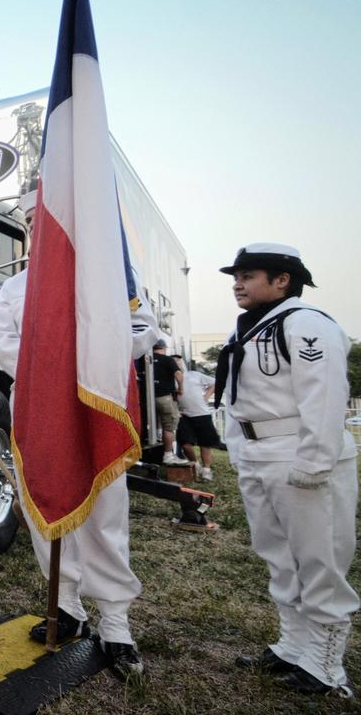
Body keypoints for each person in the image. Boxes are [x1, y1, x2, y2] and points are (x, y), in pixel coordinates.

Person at [0, 189, 157, 680]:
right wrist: (54, 364)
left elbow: (143, 328)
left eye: (50, 215)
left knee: (105, 513)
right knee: (44, 507)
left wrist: (92, 356)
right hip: (39, 403)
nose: (42, 226)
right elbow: (1, 345)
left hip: (93, 402)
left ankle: (116, 624)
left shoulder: (108, 275)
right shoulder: (13, 289)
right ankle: (66, 607)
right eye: (34, 219)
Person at [215, 243, 356, 698]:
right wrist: (240, 454)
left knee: (319, 558)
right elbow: (238, 403)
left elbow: (325, 396)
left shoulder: (306, 324)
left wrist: (316, 461)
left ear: (282, 281)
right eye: (236, 275)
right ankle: (295, 644)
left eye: (249, 274)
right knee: (277, 555)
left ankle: (327, 662)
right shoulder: (250, 329)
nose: (238, 283)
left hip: (299, 450)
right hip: (261, 454)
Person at [173, 355, 218, 480]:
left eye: (178, 361)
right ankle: (195, 463)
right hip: (184, 416)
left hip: (202, 414)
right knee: (185, 444)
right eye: (174, 362)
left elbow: (215, 382)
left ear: (182, 363)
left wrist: (206, 396)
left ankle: (207, 470)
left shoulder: (194, 375)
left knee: (205, 443)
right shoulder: (171, 379)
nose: (177, 364)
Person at [151, 340, 189, 465]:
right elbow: (179, 374)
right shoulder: (167, 359)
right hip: (164, 397)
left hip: (148, 399)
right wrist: (181, 388)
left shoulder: (144, 359)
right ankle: (168, 455)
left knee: (154, 424)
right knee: (169, 425)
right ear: (164, 348)